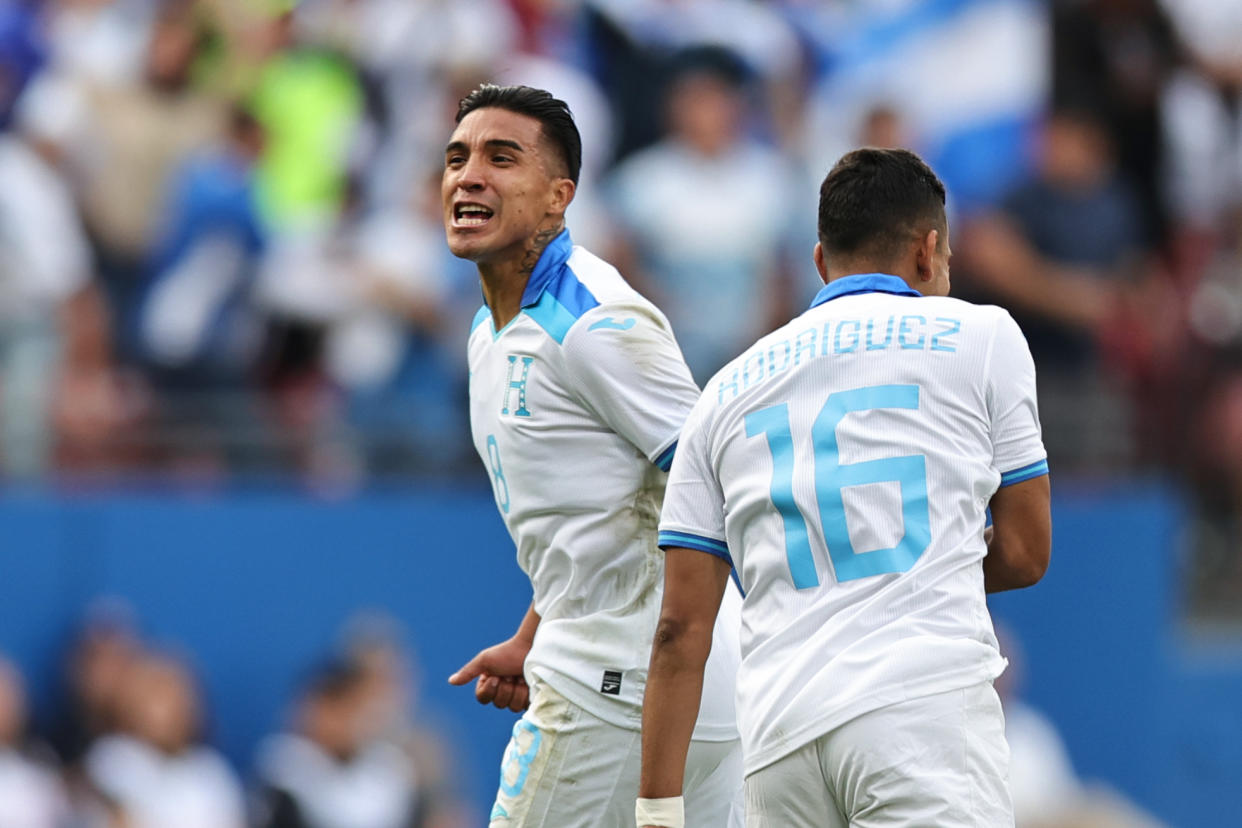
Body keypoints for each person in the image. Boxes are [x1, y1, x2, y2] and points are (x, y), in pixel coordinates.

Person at [638, 148, 1051, 828]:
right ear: (929, 251)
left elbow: (681, 630)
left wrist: (656, 813)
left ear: (820, 262)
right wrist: (908, 570)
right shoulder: (984, 335)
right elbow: (1027, 552)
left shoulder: (722, 392)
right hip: (921, 714)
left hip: (777, 738)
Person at [440, 83, 742, 827]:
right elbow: (612, 506)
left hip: (623, 686)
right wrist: (535, 633)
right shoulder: (490, 329)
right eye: (456, 158)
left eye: (500, 158)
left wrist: (659, 648)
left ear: (557, 198)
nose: (468, 175)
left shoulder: (594, 323)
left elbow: (719, 478)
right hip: (647, 678)